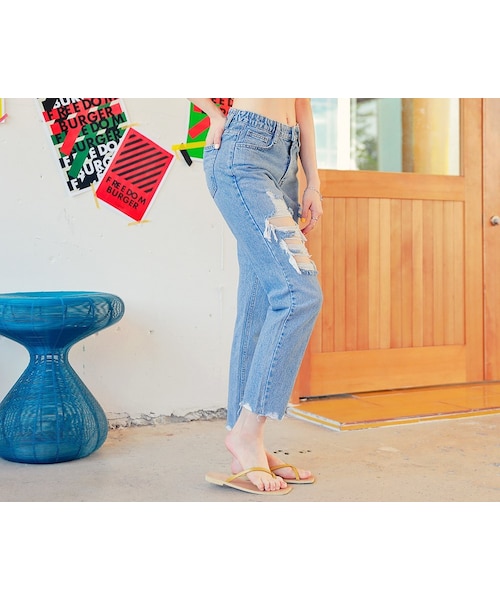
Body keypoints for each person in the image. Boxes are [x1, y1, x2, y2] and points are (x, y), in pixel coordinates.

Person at [190, 99, 323, 495]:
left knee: (259, 305)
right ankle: (247, 434)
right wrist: (214, 114)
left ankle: (245, 445)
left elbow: (302, 104)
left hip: (286, 161)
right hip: (244, 152)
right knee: (299, 294)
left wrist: (313, 182)